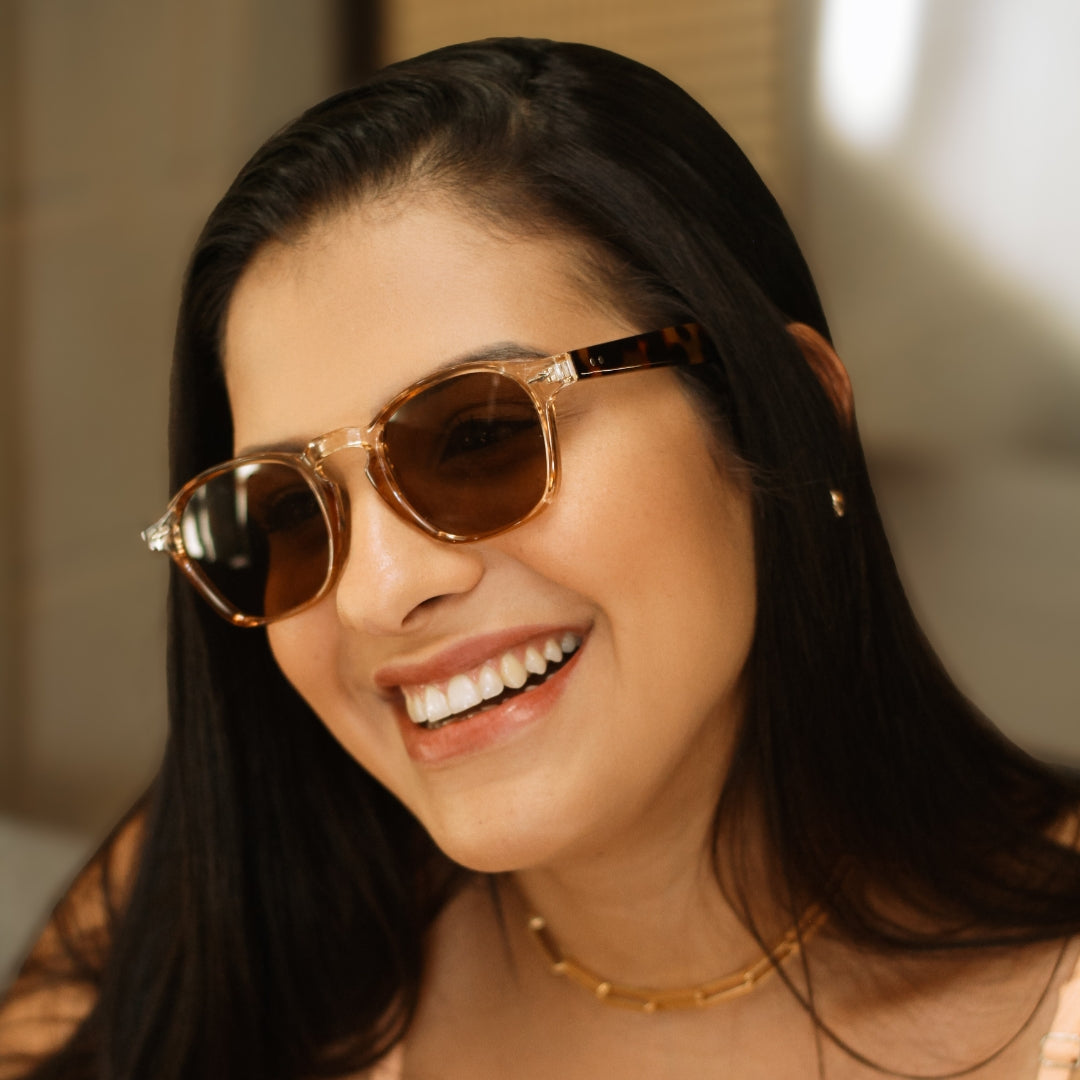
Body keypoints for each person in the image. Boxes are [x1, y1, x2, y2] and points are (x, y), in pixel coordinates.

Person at [2, 36, 1079, 1080]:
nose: (379, 592)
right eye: (286, 511)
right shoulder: (208, 920)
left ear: (784, 410)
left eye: (481, 437)